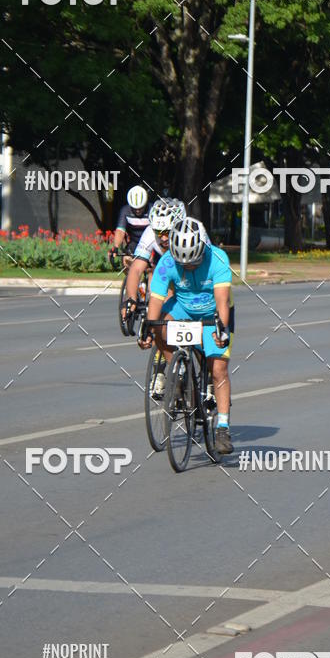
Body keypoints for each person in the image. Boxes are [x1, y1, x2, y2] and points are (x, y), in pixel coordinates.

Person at [139, 216, 235, 455]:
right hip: (182, 307)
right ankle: (176, 368)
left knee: (219, 369)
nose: (189, 267)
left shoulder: (219, 259)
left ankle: (222, 427)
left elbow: (222, 303)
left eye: (194, 262)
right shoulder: (166, 262)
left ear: (203, 248)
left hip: (213, 312)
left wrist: (221, 332)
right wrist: (149, 330)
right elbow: (155, 302)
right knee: (159, 323)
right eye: (184, 264)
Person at [123, 198, 186, 323]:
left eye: (168, 232)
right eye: (158, 232)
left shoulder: (192, 234)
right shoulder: (149, 233)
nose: (162, 238)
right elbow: (136, 269)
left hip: (190, 277)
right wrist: (130, 299)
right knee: (159, 318)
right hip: (164, 265)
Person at [108, 185, 150, 269]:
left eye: (140, 208)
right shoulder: (125, 210)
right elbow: (120, 231)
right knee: (126, 261)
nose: (137, 211)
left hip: (150, 243)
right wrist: (116, 247)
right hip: (134, 242)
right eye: (134, 208)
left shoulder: (152, 209)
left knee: (150, 268)